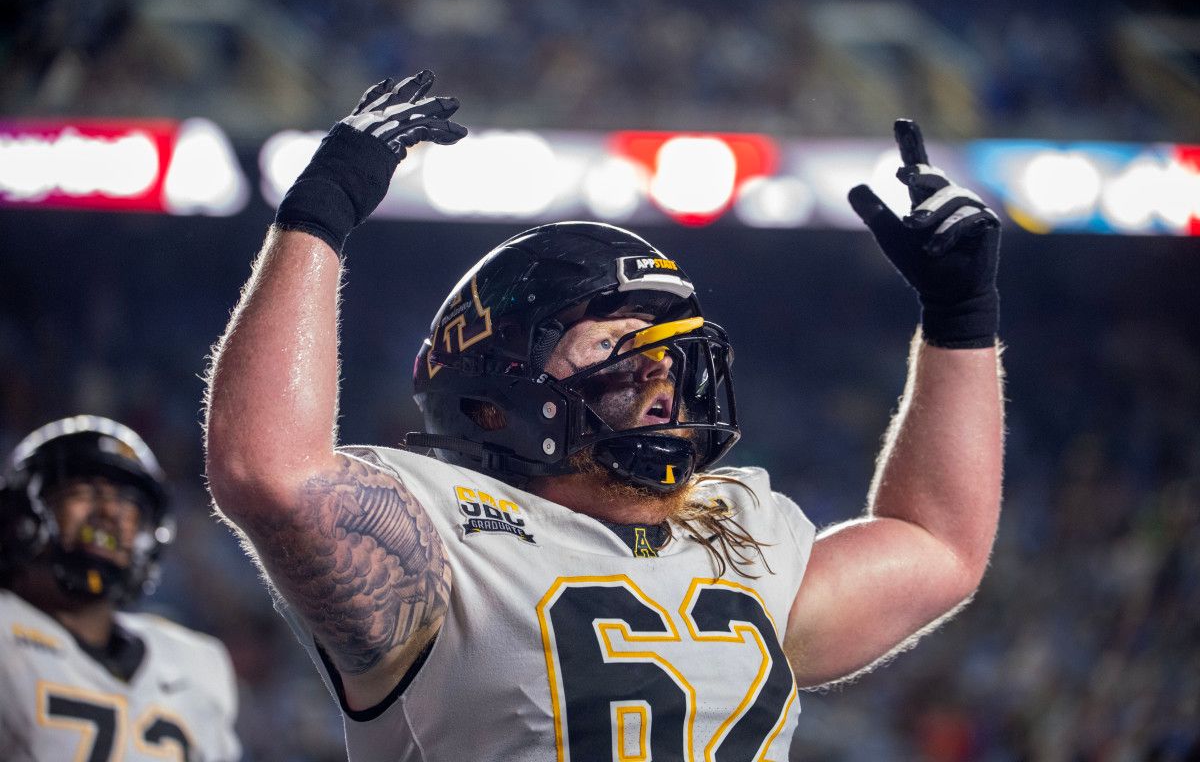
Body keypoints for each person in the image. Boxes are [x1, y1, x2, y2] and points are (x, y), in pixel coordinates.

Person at [204, 70, 1003, 760]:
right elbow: (268, 472)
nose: (661, 366)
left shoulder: (743, 533)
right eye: (618, 339)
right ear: (496, 388)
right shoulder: (444, 536)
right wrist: (319, 212)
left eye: (670, 345)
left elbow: (938, 546)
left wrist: (961, 320)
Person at [0, 415, 241, 761]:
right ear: (21, 514)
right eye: (83, 491)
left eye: (128, 505)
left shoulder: (195, 665)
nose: (109, 513)